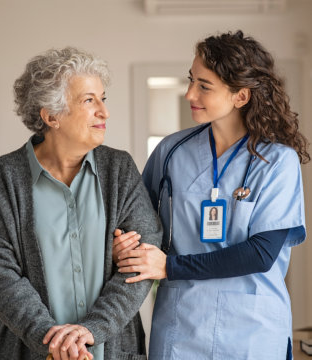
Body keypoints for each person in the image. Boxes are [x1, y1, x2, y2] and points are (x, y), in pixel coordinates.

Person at [113, 30, 310, 359]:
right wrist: (125, 245)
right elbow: (139, 223)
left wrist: (169, 267)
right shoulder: (170, 152)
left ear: (240, 96)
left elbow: (260, 254)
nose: (190, 93)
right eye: (191, 80)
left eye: (204, 86)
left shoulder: (277, 161)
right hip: (181, 328)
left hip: (252, 332)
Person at [0, 47, 162, 360]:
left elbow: (140, 264)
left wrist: (93, 328)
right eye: (89, 100)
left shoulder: (119, 169)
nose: (104, 112)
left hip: (113, 351)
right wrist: (52, 342)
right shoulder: (6, 176)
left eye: (103, 99)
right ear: (51, 116)